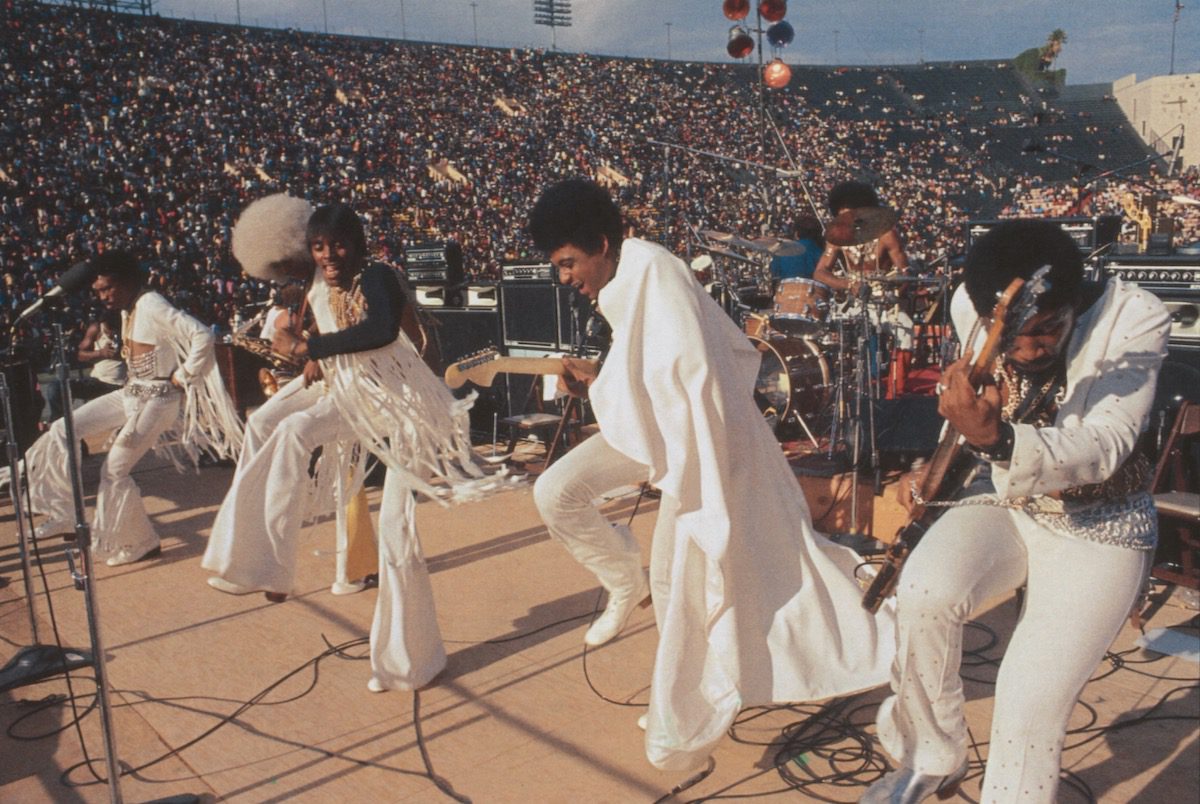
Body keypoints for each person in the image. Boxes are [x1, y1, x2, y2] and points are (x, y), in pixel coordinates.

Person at [528, 179, 893, 772]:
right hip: (663, 440)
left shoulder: (656, 272)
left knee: (694, 578)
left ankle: (684, 704)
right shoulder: (626, 277)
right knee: (558, 492)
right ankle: (626, 583)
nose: (565, 276)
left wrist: (690, 476)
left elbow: (693, 378)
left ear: (600, 244)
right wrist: (602, 379)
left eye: (569, 262)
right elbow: (650, 372)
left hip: (707, 449)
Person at [861, 219, 1171, 804]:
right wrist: (939, 458)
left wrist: (998, 440)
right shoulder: (967, 304)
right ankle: (934, 753)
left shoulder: (1134, 318)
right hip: (1011, 500)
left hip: (1101, 528)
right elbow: (981, 403)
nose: (1028, 350)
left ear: (1074, 302)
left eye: (1048, 332)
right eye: (1015, 338)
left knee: (1028, 700)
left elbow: (1105, 444)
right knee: (923, 593)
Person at [270, 202, 504, 693]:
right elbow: (317, 325)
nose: (329, 255)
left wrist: (312, 349)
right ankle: (267, 553)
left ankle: (409, 661)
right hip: (361, 404)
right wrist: (302, 345)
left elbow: (377, 331)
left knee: (396, 531)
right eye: (319, 247)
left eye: (338, 245)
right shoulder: (320, 289)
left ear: (358, 246)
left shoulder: (378, 276)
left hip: (412, 413)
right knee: (286, 432)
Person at [202, 193, 377, 600]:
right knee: (261, 423)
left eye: (285, 264)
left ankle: (274, 566)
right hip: (329, 383)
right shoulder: (307, 285)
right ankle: (244, 554)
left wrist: (313, 348)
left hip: (362, 390)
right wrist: (309, 347)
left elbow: (367, 328)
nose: (283, 275)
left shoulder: (352, 276)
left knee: (328, 466)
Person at [26, 249, 241, 565]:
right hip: (130, 394)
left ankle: (142, 542)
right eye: (98, 291)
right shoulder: (129, 308)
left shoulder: (152, 304)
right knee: (61, 428)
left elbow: (200, 335)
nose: (103, 297)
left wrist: (184, 374)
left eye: (108, 288)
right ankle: (64, 512)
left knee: (113, 469)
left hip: (157, 400)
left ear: (127, 282)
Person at [813, 181, 914, 396]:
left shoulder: (887, 235)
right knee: (827, 333)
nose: (845, 221)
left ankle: (894, 394)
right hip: (853, 305)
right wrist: (848, 284)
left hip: (884, 304)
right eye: (841, 217)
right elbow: (820, 272)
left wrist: (894, 286)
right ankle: (839, 388)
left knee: (906, 329)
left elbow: (906, 272)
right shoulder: (837, 238)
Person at [41, 310, 126, 422]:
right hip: (100, 382)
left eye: (114, 331)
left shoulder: (129, 328)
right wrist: (100, 353)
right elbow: (80, 354)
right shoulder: (96, 329)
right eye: (107, 330)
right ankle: (62, 428)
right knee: (56, 388)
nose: (111, 334)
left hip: (124, 385)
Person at [768, 214, 824, 282]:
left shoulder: (782, 250)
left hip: (787, 290)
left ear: (796, 234)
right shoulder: (822, 252)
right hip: (814, 291)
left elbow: (774, 273)